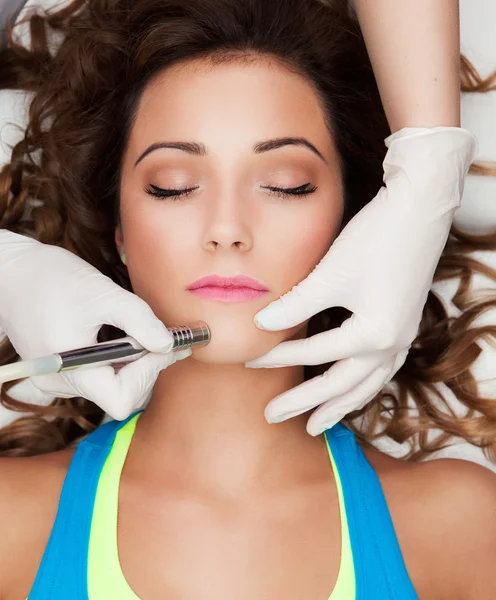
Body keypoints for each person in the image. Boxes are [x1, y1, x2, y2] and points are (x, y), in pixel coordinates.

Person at [0, 1, 495, 598]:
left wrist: (428, 177)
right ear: (120, 231)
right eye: (173, 187)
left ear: (361, 226)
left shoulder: (458, 527)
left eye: (287, 185)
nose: (227, 227)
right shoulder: (12, 524)